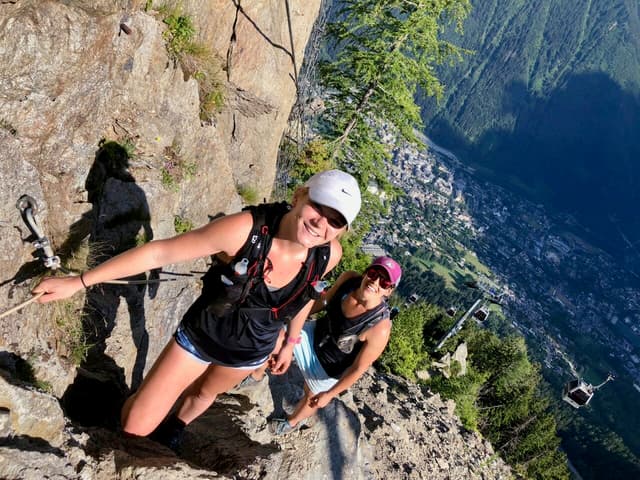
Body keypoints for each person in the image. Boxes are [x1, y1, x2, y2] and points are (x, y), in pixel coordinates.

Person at [32, 169, 361, 450]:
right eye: (319, 207)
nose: (322, 224)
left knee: (204, 394)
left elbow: (302, 297)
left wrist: (289, 342)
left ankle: (175, 429)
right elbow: (157, 254)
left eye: (336, 222)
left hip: (251, 352)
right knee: (134, 425)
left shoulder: (327, 255)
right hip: (200, 337)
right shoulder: (244, 231)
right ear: (300, 196)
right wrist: (79, 282)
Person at [269, 256, 402, 435]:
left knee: (313, 397)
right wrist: (290, 322)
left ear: (389, 291)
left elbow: (357, 368)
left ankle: (291, 423)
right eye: (373, 273)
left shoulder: (380, 327)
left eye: (384, 282)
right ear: (366, 272)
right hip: (314, 334)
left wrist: (330, 394)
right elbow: (322, 303)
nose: (375, 281)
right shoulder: (348, 280)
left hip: (330, 367)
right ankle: (255, 374)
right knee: (275, 335)